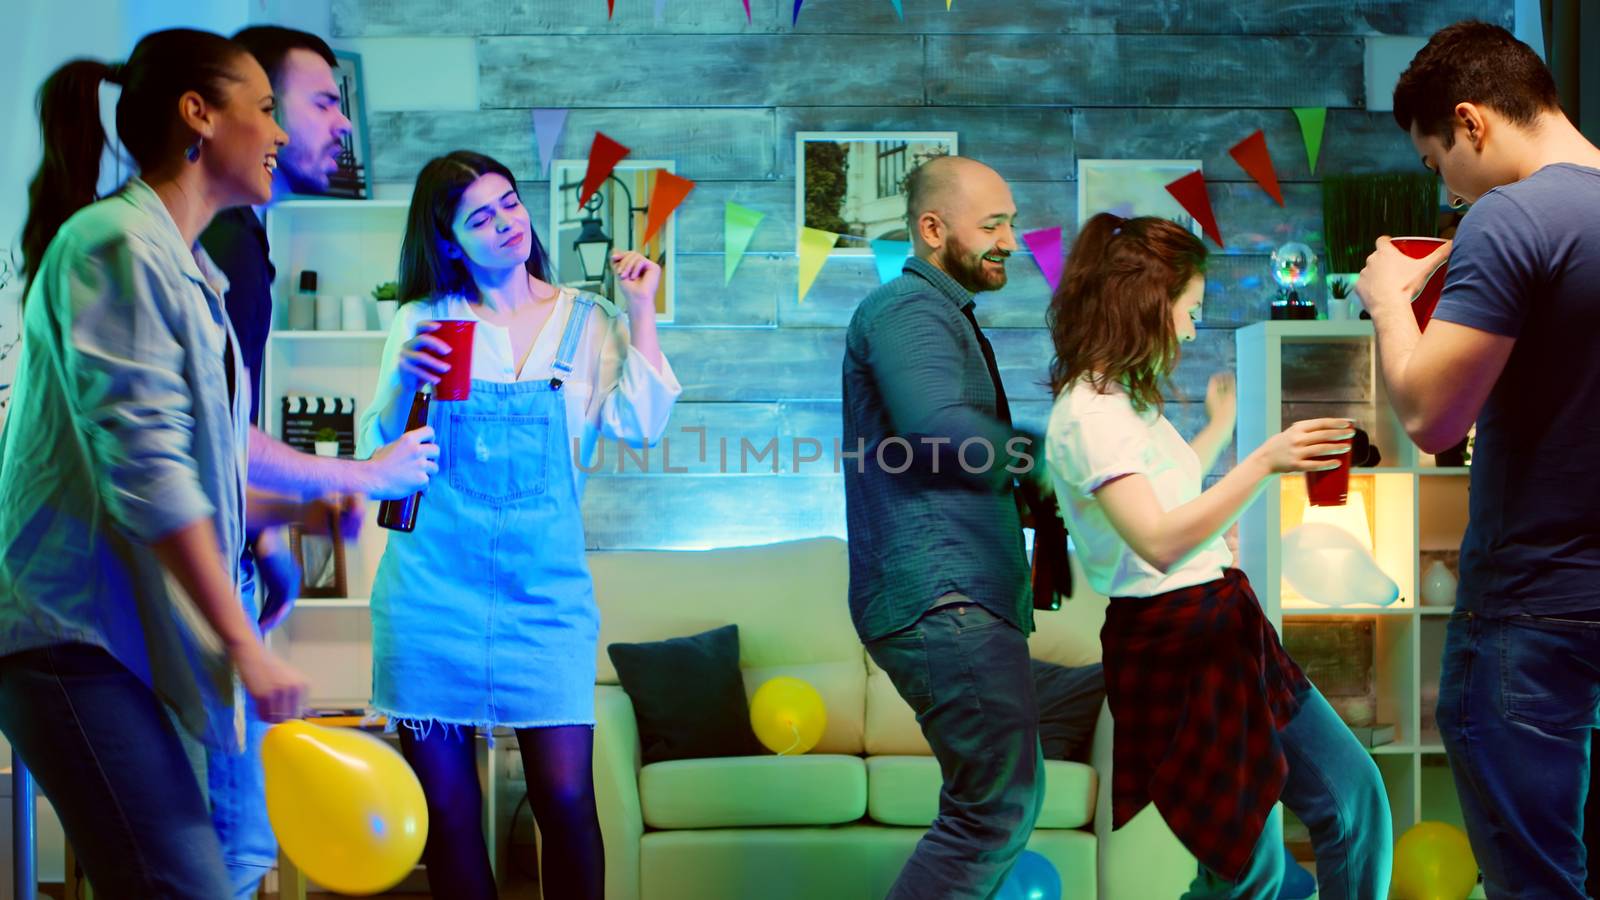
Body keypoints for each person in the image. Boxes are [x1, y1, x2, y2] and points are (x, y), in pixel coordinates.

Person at [0, 29, 311, 898]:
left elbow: (197, 465)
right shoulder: (116, 244)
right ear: (198, 116)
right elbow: (148, 476)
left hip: (120, 642)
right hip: (70, 639)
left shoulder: (189, 269)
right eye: (266, 109)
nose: (280, 134)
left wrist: (300, 515)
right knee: (185, 885)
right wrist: (245, 644)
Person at [357, 150, 681, 899]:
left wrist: (641, 312)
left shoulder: (586, 320)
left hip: (546, 598)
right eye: (480, 217)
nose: (506, 223)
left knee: (566, 800)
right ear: (448, 243)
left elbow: (638, 424)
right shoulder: (422, 320)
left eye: (509, 203)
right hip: (431, 594)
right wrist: (405, 378)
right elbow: (378, 452)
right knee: (448, 810)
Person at [1044, 212, 1393, 898]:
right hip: (1176, 649)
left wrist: (1220, 431)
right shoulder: (1089, 414)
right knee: (1247, 872)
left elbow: (1166, 497)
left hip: (1227, 627)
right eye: (1190, 309)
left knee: (1354, 797)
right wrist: (1262, 461)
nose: (1192, 329)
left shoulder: (1126, 402)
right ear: (1147, 304)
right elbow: (1159, 540)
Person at [196, 26, 440, 897]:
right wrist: (358, 474)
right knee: (228, 856)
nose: (344, 127)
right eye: (322, 103)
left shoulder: (244, 246)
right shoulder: (216, 249)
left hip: (222, 574)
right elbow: (200, 441)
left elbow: (215, 436)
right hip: (163, 603)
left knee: (236, 851)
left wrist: (266, 527)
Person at [1359, 20, 1600, 897]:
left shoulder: (1512, 215)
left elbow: (1428, 416)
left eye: (1436, 166)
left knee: (1536, 881)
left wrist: (1388, 302)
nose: (1447, 193)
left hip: (1533, 610)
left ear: (1471, 123)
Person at [841, 154, 1046, 899]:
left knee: (999, 800)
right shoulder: (907, 311)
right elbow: (936, 430)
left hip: (956, 597)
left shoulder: (935, 315)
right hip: (943, 599)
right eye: (993, 225)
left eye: (1013, 224)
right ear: (932, 229)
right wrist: (1041, 455)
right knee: (993, 809)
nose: (1011, 241)